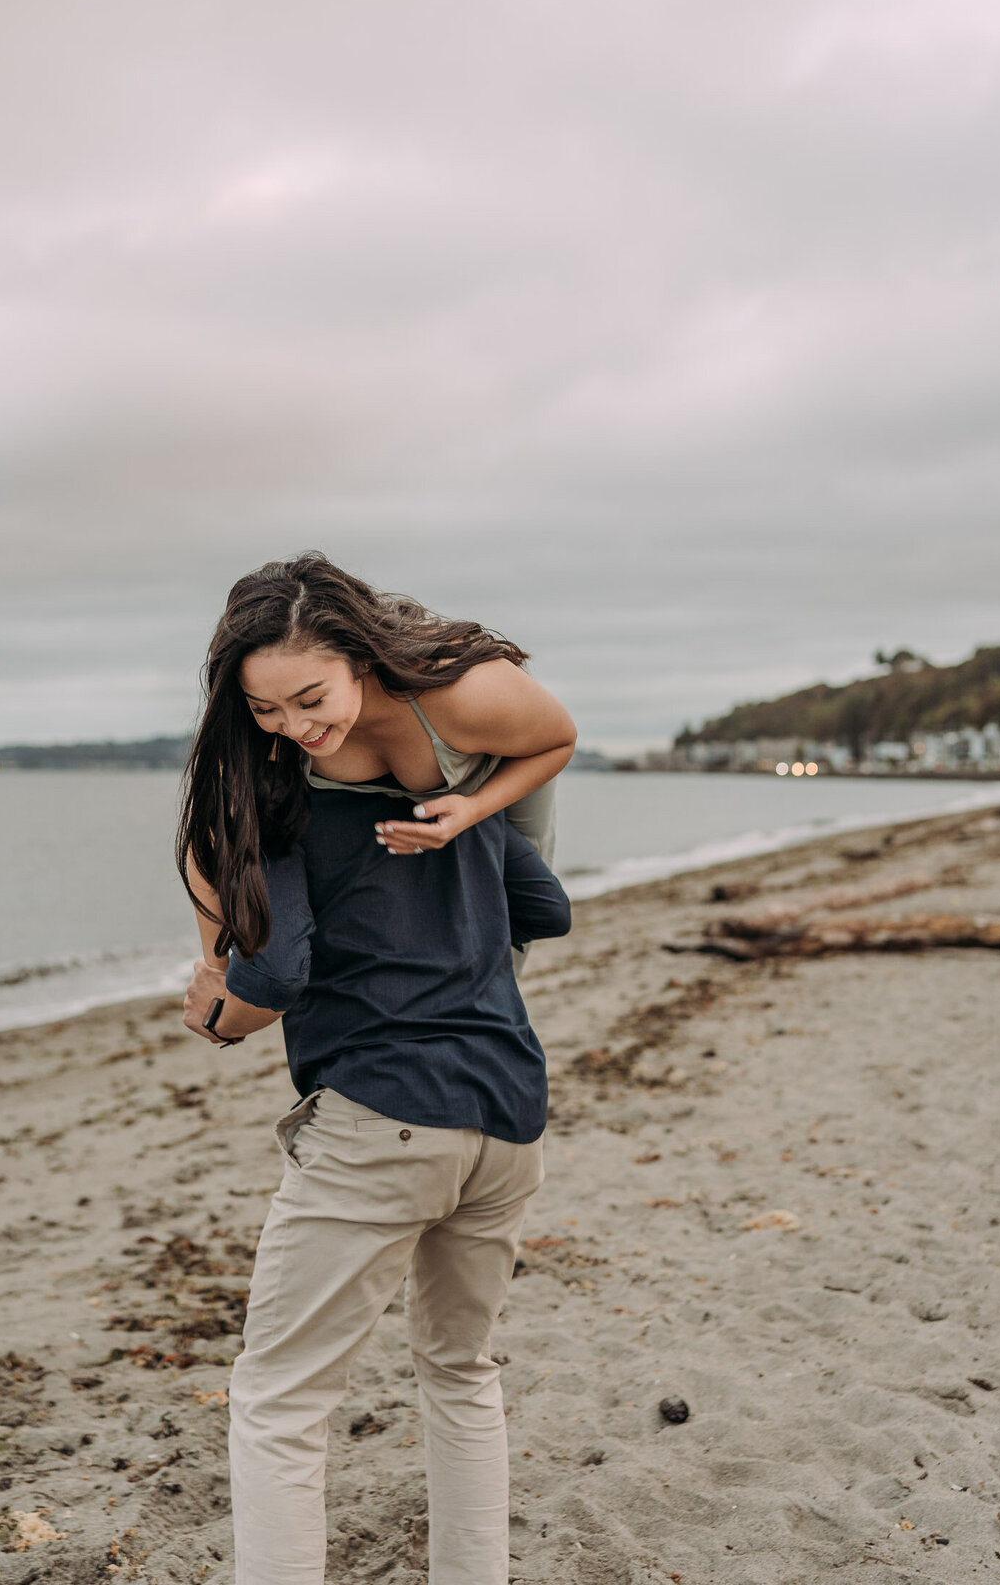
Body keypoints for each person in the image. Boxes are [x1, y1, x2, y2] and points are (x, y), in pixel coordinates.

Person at [181, 781, 572, 1585]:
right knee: (461, 1371)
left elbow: (277, 974)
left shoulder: (277, 807)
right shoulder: (453, 795)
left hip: (384, 1117)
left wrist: (218, 1010)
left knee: (280, 1402)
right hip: (506, 1112)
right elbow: (546, 907)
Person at [176, 551, 577, 969]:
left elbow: (559, 742)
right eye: (265, 708)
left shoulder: (466, 694)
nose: (294, 728)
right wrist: (217, 970)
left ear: (360, 660)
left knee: (518, 915)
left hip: (502, 767)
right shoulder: (262, 730)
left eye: (311, 700)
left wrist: (474, 808)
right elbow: (210, 833)